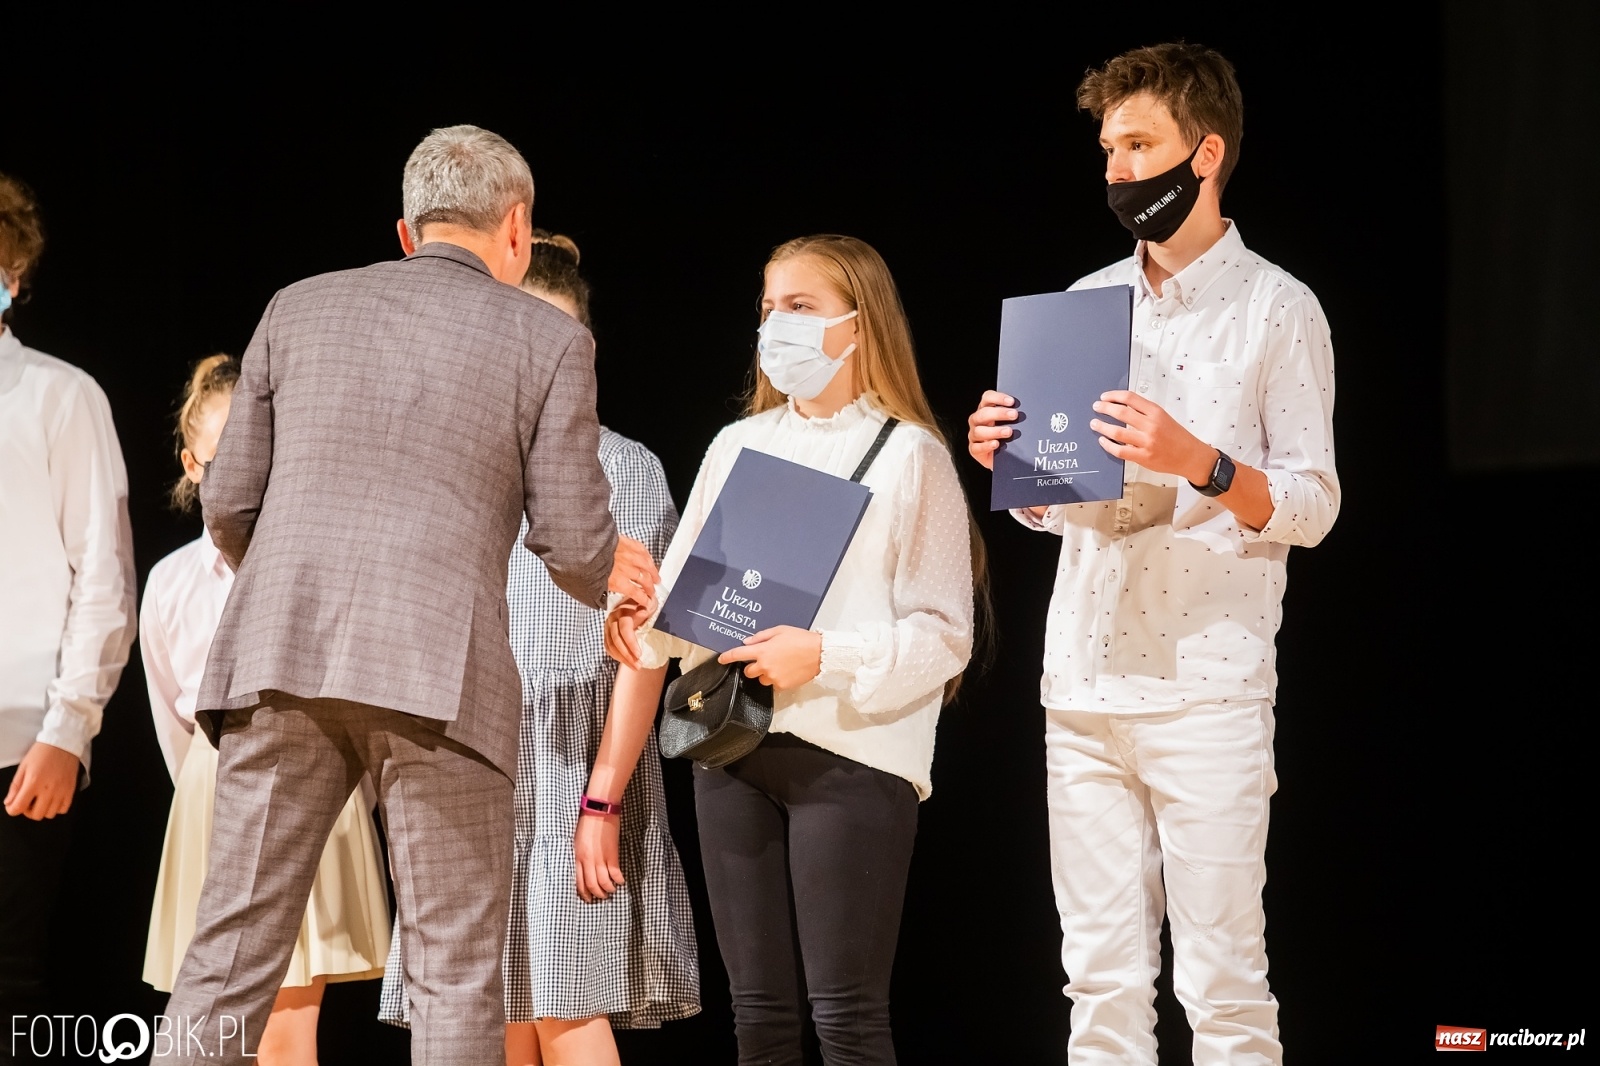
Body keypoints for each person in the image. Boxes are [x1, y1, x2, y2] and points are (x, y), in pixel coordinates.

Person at [156, 125, 659, 1066]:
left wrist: (302, 583)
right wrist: (614, 579)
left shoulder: (295, 307)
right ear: (518, 229)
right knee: (454, 975)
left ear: (406, 231)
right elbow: (568, 535)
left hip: (279, 663)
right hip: (443, 679)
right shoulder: (549, 336)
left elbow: (226, 502)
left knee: (227, 955)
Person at [965, 43, 1339, 1065]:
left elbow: (1312, 502)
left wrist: (1199, 462)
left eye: (1139, 144)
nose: (1117, 168)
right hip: (1081, 688)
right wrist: (1011, 464)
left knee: (1221, 986)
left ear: (1204, 152)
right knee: (1098, 985)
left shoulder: (1276, 307)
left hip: (1206, 691)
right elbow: (1060, 503)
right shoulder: (1084, 301)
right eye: (1107, 149)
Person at [602, 234, 980, 1065]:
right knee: (758, 1017)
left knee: (845, 1017)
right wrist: (637, 611)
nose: (777, 326)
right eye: (769, 308)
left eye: (801, 307)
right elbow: (690, 603)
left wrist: (827, 654)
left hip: (850, 753)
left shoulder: (910, 455)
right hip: (730, 746)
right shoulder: (739, 444)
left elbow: (946, 630)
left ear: (858, 322)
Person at [377, 232, 700, 1065]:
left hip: (571, 768)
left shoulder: (621, 469)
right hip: (471, 764)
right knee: (489, 1020)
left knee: (568, 1009)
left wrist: (601, 798)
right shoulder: (456, 463)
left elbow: (646, 649)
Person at [142, 354, 391, 1065]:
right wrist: (202, 789)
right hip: (212, 792)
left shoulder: (321, 563)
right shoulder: (170, 585)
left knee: (286, 1029)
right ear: (193, 465)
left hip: (318, 784)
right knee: (214, 1025)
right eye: (221, 461)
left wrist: (349, 797)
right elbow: (174, 720)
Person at [0, 172, 137, 1050]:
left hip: (19, 746)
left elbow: (105, 577)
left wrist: (69, 727)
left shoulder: (60, 395)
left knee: (9, 979)